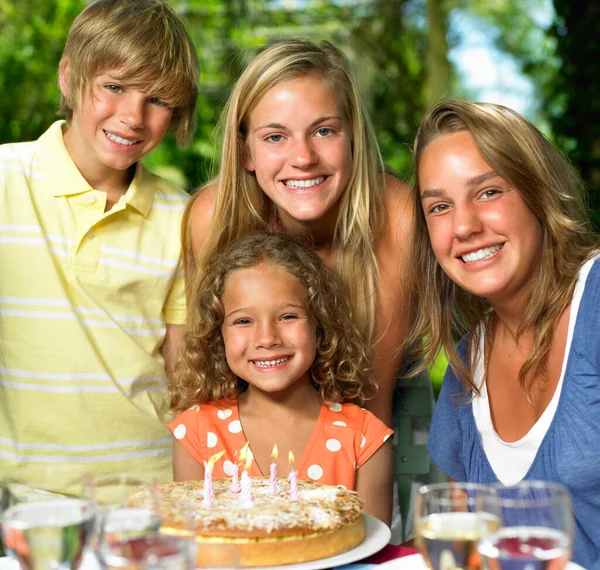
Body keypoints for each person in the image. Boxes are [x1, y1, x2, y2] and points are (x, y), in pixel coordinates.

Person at [0, 0, 199, 488]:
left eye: (157, 100)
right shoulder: (5, 180)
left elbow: (185, 375)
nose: (133, 116)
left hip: (153, 492)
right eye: (114, 87)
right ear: (69, 78)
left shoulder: (182, 215)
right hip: (24, 498)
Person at [407, 100, 600, 569]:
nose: (465, 226)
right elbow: (460, 551)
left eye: (488, 192)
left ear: (539, 192)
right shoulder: (464, 365)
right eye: (440, 206)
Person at [184, 39, 414, 428]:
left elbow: (371, 412)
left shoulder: (397, 217)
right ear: (246, 152)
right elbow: (209, 386)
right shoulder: (215, 218)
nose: (304, 158)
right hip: (251, 454)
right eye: (275, 137)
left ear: (352, 136)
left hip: (368, 441)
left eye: (324, 131)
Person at [169, 231, 394, 524]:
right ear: (217, 334)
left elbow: (372, 553)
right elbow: (194, 545)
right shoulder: (197, 432)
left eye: (288, 316)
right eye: (243, 321)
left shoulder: (363, 438)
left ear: (320, 323)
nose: (267, 338)